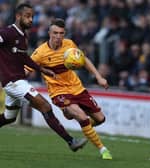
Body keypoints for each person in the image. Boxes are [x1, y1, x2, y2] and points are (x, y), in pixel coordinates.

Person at [0, 3, 87, 152]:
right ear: (18, 16)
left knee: (9, 117)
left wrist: (41, 69)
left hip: (17, 81)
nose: (31, 19)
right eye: (27, 16)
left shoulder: (23, 36)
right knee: (45, 106)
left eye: (32, 16)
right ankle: (71, 141)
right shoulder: (8, 32)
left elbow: (24, 58)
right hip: (14, 82)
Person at [29, 18, 112, 160]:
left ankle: (79, 122)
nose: (58, 36)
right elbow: (25, 70)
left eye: (61, 33)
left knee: (100, 119)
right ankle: (103, 149)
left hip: (77, 87)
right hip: (58, 92)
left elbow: (84, 59)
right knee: (82, 116)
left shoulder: (69, 44)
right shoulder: (40, 53)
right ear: (49, 33)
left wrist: (99, 77)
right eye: (55, 33)